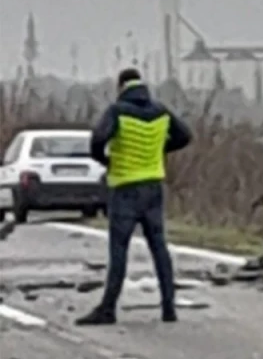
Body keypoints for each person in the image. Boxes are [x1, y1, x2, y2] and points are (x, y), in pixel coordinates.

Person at [75, 68, 192, 326]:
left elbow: (97, 139)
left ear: (121, 87)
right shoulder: (161, 111)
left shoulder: (117, 111)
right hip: (153, 186)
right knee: (159, 247)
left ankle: (108, 309)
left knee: (119, 250)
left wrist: (106, 159)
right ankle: (169, 308)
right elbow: (185, 135)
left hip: (125, 188)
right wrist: (161, 148)